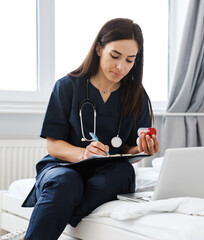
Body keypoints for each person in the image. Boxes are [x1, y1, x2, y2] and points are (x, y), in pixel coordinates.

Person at [21, 18, 159, 239]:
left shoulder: (137, 95)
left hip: (108, 171)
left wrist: (143, 149)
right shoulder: (67, 86)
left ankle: (61, 215)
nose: (121, 67)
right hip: (64, 166)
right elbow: (53, 144)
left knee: (123, 172)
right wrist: (84, 154)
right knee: (66, 183)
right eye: (115, 56)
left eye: (129, 60)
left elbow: (129, 149)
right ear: (98, 48)